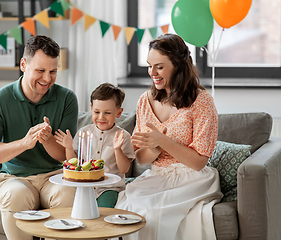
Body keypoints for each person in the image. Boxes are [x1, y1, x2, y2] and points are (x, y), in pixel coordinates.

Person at [115, 34, 223, 240]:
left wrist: (163, 141)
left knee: (155, 214)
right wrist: (153, 150)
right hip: (157, 176)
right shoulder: (145, 101)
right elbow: (141, 159)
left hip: (192, 178)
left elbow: (199, 162)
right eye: (149, 66)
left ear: (178, 66)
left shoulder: (202, 102)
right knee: (127, 207)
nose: (152, 73)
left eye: (159, 66)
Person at [0, 35, 78, 240]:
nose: (47, 79)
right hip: (15, 178)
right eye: (40, 71)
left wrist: (48, 140)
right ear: (24, 64)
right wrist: (25, 143)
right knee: (16, 195)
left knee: (69, 193)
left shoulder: (67, 99)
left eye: (53, 71)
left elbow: (67, 158)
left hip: (55, 175)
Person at [55, 83, 135, 208]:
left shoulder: (123, 136)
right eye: (96, 112)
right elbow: (73, 163)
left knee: (103, 211)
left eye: (107, 113)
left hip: (109, 188)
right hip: (84, 187)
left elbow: (124, 169)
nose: (101, 117)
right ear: (91, 109)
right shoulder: (83, 133)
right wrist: (69, 147)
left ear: (119, 113)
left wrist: (117, 149)